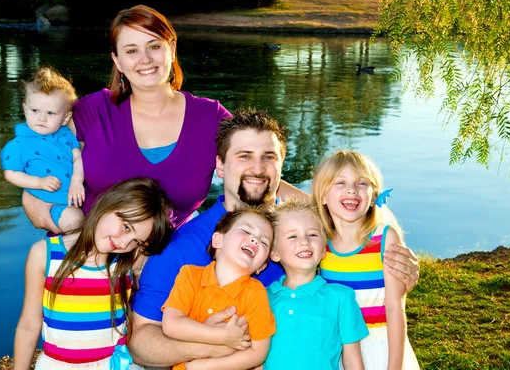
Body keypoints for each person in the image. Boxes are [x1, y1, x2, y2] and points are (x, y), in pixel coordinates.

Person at [129, 108, 420, 368]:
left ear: (281, 168)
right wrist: (215, 345)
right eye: (244, 156)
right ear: (220, 166)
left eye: (268, 157)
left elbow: (364, 245)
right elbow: (141, 344)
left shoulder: (312, 234)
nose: (257, 168)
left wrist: (398, 272)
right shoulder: (179, 248)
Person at [22, 4, 231, 233]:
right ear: (118, 61)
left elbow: (256, 168)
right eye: (131, 51)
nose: (145, 59)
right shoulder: (90, 112)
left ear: (171, 50)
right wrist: (78, 236)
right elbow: (36, 183)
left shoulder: (211, 118)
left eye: (154, 46)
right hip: (89, 251)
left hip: (168, 258)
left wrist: (276, 196)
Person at [13, 177, 174, 370]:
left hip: (114, 365)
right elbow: (29, 325)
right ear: (108, 203)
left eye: (136, 241)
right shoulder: (44, 255)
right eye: (127, 227)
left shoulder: (127, 264)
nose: (124, 243)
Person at [311, 150, 420, 369]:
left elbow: (395, 309)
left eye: (362, 183)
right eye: (340, 182)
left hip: (382, 347)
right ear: (322, 196)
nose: (352, 189)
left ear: (373, 197)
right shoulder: (321, 244)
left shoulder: (384, 239)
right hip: (341, 351)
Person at [162, 207, 276, 370]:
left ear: (262, 266)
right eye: (246, 231)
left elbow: (258, 353)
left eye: (264, 242)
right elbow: (171, 324)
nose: (255, 240)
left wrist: (206, 366)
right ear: (218, 240)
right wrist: (223, 336)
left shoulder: (256, 293)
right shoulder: (190, 276)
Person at [264, 197, 368, 369]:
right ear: (275, 253)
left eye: (312, 234)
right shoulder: (262, 298)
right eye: (292, 236)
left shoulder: (341, 298)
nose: (304, 241)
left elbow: (353, 361)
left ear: (323, 250)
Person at [0, 67, 85, 232]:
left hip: (72, 197)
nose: (42, 118)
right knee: (75, 222)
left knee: (85, 222)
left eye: (51, 113)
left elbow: (77, 157)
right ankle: (67, 250)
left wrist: (77, 181)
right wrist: (39, 182)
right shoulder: (19, 144)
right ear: (25, 109)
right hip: (51, 202)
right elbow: (11, 174)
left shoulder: (66, 135)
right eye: (35, 110)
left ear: (65, 118)